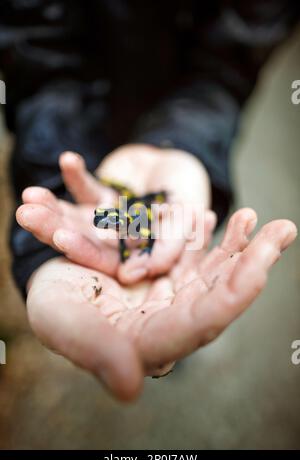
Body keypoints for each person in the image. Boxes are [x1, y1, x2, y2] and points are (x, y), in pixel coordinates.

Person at [0, 1, 298, 401]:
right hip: (94, 143)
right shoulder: (118, 215)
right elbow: (34, 55)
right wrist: (60, 191)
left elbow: (228, 65)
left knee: (177, 268)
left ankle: (174, 335)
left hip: (170, 137)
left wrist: (182, 148)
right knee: (139, 239)